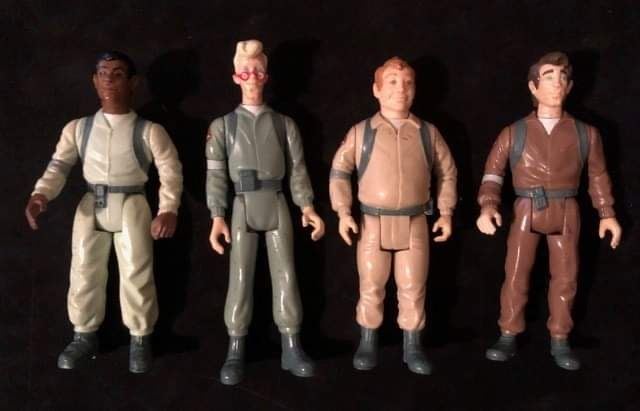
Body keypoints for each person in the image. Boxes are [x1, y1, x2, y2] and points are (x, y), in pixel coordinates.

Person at [25, 51, 183, 373]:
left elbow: (170, 170)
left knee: (136, 271)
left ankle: (140, 337)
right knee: (84, 269)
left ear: (133, 83)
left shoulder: (149, 131)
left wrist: (168, 209)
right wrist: (41, 193)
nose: (109, 80)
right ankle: (84, 334)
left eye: (118, 74)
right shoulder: (78, 129)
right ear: (94, 81)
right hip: (92, 203)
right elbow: (59, 165)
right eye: (103, 73)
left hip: (131, 203)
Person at [476, 51, 622, 370]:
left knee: (566, 276)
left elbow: (598, 176)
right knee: (516, 273)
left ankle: (560, 337)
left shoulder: (586, 133)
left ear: (570, 86)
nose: (556, 83)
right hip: (526, 208)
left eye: (562, 77)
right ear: (533, 86)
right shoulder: (513, 132)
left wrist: (607, 213)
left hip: (566, 209)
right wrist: (488, 205)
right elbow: (493, 174)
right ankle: (508, 332)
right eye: (548, 76)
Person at [206, 40, 325, 385]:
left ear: (266, 76)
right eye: (245, 71)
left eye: (257, 70)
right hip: (242, 204)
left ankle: (292, 344)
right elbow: (215, 175)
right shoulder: (223, 126)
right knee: (240, 275)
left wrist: (307, 206)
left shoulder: (285, 125)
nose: (252, 77)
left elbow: (298, 169)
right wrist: (217, 215)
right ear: (235, 77)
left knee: (286, 272)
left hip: (276, 201)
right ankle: (235, 348)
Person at [329, 57, 457, 374]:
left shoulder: (427, 133)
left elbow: (447, 172)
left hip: (415, 222)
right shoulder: (361, 133)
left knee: (413, 285)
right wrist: (343, 212)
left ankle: (412, 345)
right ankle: (367, 340)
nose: (401, 89)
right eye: (392, 82)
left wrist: (446, 211)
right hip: (373, 222)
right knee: (371, 282)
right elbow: (339, 171)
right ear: (376, 89)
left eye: (408, 82)